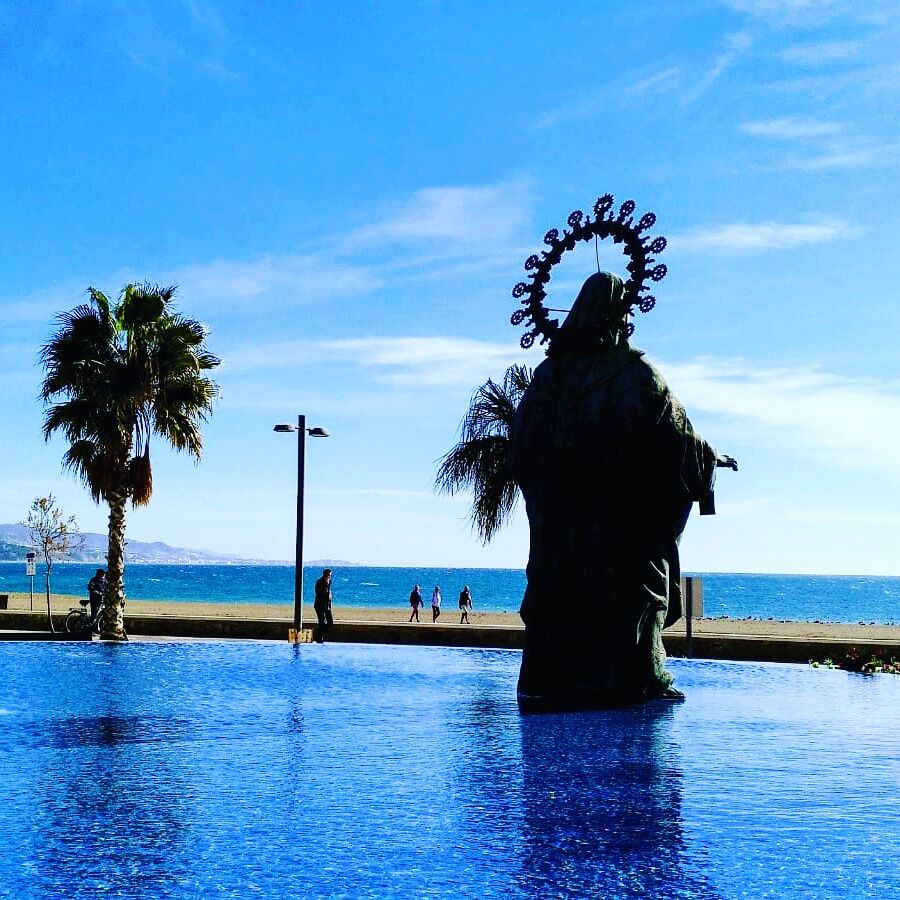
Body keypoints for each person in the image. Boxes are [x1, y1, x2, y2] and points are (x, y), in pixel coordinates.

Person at [509, 272, 737, 708]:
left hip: (559, 523)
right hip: (622, 520)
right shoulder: (637, 375)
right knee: (643, 591)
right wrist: (709, 458)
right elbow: (677, 439)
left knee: (557, 594)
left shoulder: (548, 377)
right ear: (614, 316)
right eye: (624, 312)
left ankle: (549, 682)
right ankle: (640, 677)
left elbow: (521, 449)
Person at [314, 568, 334, 643]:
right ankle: (319, 638)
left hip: (327, 605)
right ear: (324, 574)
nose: (329, 576)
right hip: (320, 605)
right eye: (328, 575)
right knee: (321, 621)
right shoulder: (320, 581)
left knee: (330, 622)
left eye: (330, 575)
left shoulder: (329, 582)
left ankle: (318, 635)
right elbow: (318, 593)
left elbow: (328, 593)